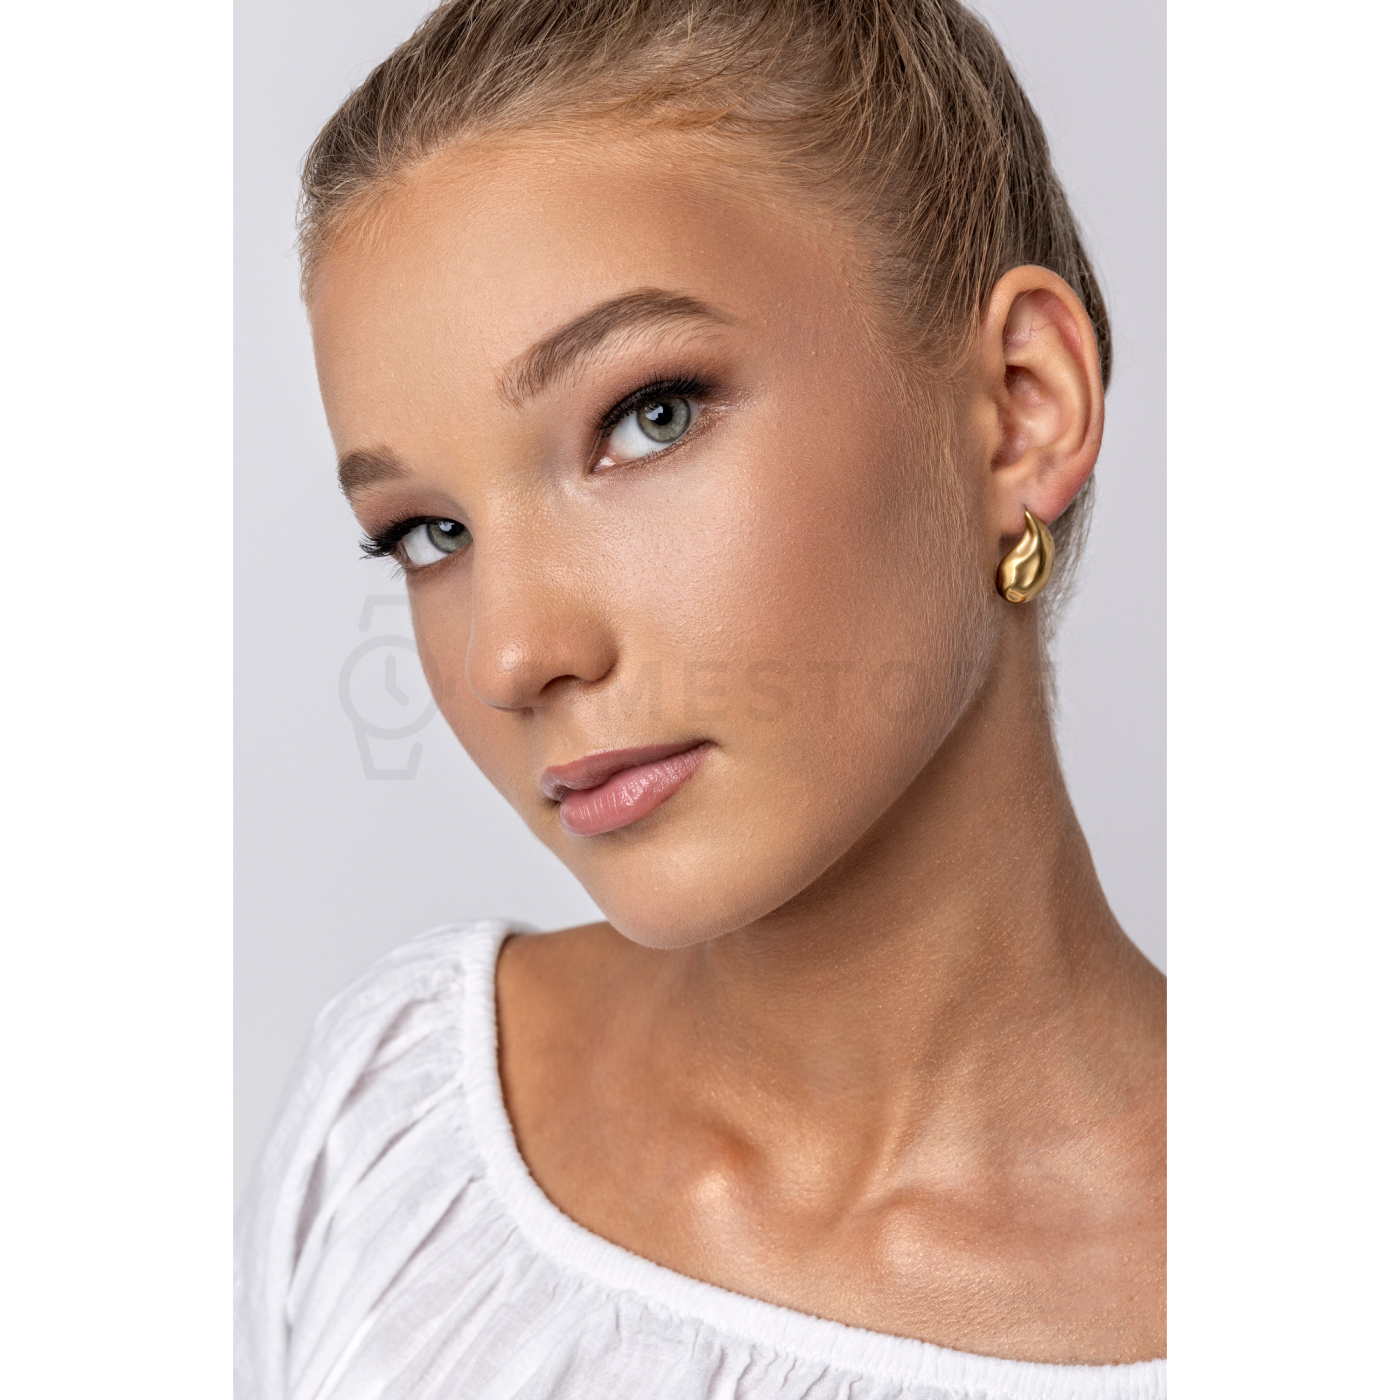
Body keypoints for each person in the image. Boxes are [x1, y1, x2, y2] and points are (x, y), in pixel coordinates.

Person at [235, 1, 1166, 1395]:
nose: (511, 655)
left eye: (647, 416)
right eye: (428, 533)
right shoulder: (397, 1132)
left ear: (1021, 406)